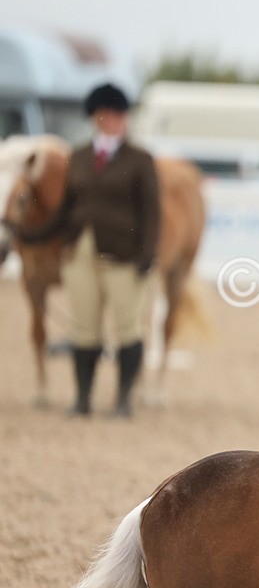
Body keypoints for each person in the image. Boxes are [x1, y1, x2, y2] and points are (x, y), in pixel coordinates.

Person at [17, 82, 160, 417]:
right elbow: (66, 209)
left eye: (122, 115)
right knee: (84, 327)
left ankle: (123, 398)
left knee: (128, 327)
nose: (118, 120)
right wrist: (32, 236)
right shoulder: (78, 157)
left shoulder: (139, 160)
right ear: (97, 117)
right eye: (111, 114)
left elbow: (151, 212)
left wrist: (147, 254)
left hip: (123, 253)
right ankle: (83, 398)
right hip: (80, 252)